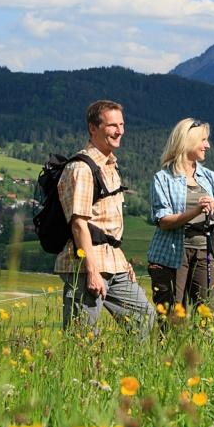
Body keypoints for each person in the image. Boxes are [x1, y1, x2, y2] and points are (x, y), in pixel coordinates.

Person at [55, 99, 156, 335]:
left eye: (121, 124)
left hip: (113, 263)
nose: (119, 131)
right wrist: (91, 271)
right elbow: (79, 224)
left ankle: (131, 370)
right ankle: (81, 373)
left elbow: (106, 226)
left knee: (145, 319)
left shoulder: (110, 166)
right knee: (82, 336)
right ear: (93, 128)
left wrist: (122, 261)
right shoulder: (81, 168)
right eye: (112, 125)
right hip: (85, 264)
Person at [148, 117, 214, 313]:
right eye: (203, 140)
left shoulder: (211, 178)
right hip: (171, 254)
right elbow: (163, 221)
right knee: (172, 317)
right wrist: (195, 211)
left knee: (209, 314)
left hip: (206, 252)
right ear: (188, 141)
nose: (207, 145)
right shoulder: (163, 178)